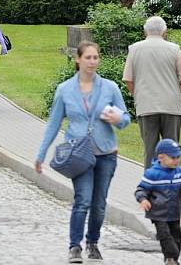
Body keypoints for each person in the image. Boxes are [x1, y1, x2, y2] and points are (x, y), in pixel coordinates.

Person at [35, 41, 131, 264]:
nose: (92, 62)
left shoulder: (110, 88)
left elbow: (125, 120)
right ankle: (75, 246)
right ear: (78, 59)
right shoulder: (65, 90)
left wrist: (118, 119)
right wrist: (41, 154)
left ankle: (93, 242)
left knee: (99, 204)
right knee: (83, 200)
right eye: (88, 57)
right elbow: (53, 124)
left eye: (95, 57)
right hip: (79, 155)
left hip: (106, 153)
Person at [122, 16, 181, 167]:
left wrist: (138, 95)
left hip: (146, 106)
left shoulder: (134, 49)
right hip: (172, 107)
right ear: (164, 31)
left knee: (150, 151)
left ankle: (151, 186)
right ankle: (171, 184)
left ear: (145, 31)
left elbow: (128, 79)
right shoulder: (174, 49)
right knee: (171, 150)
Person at [135, 138, 181, 265]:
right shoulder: (152, 174)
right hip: (159, 214)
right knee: (165, 236)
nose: (177, 160)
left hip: (174, 212)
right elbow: (141, 189)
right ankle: (171, 257)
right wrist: (143, 199)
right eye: (173, 158)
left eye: (178, 157)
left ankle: (172, 260)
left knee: (177, 237)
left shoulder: (179, 172)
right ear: (161, 157)